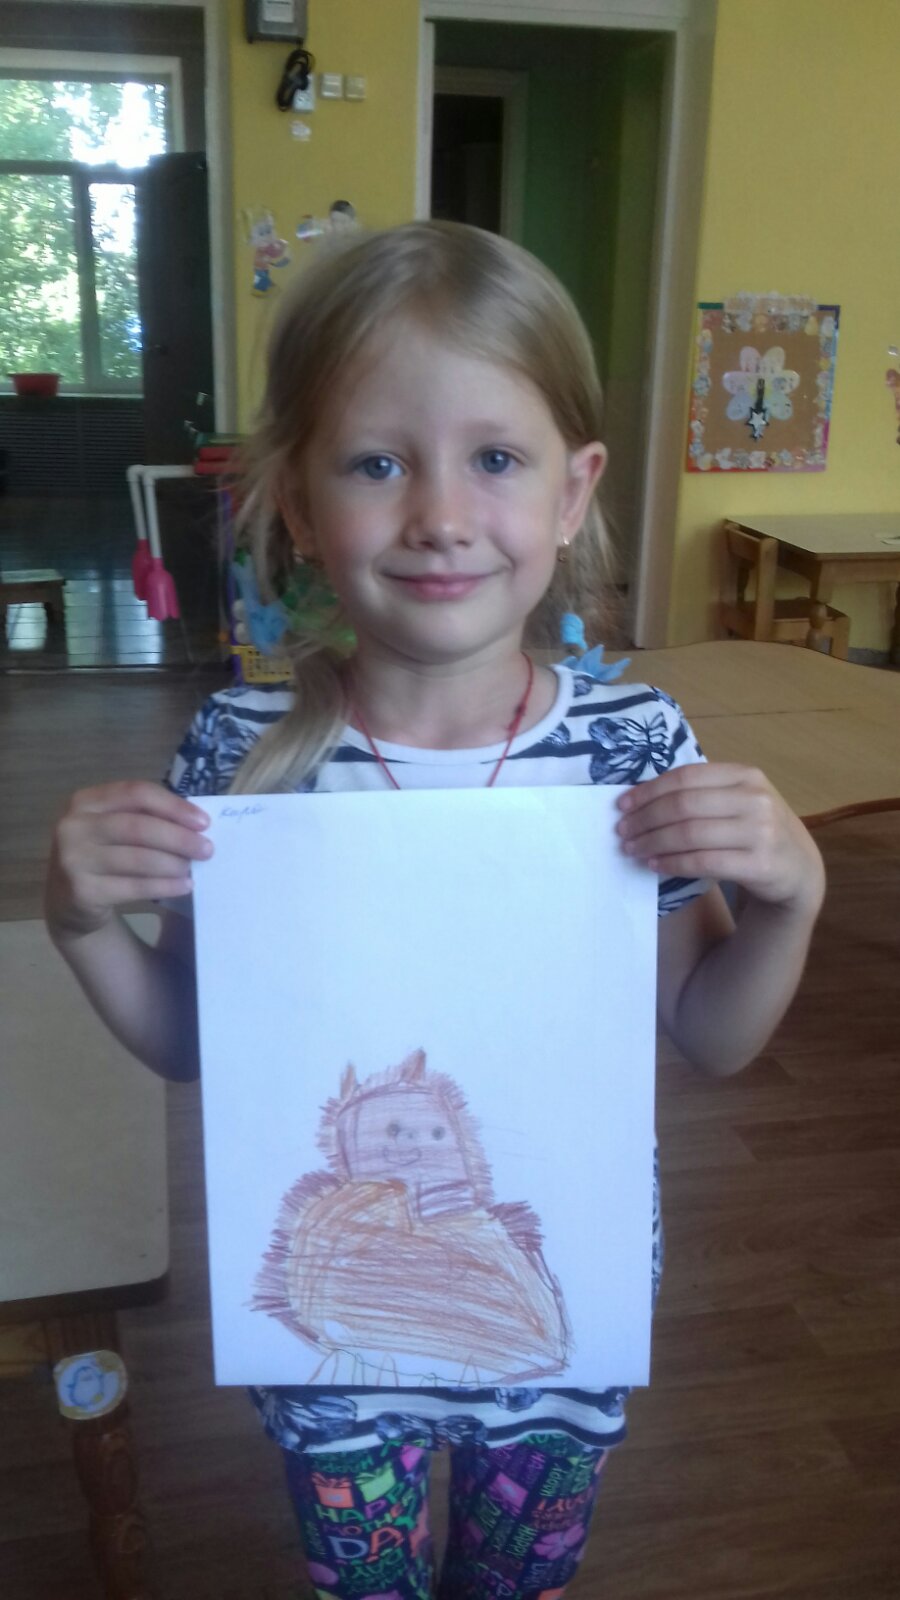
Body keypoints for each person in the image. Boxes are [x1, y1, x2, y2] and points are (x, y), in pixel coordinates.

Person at [45, 221, 825, 1600]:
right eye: (376, 463)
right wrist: (85, 925)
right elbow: (192, 1043)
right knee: (366, 1582)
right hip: (335, 1337)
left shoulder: (633, 745)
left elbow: (710, 1036)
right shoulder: (241, 755)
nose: (441, 516)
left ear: (575, 492)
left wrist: (788, 902)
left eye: (497, 459)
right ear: (297, 501)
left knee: (517, 1580)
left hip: (562, 1306)